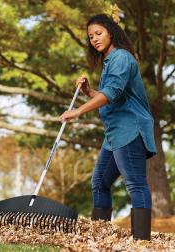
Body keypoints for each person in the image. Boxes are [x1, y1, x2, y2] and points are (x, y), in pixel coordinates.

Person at [59, 14, 157, 241]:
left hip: (130, 128)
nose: (94, 39)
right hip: (115, 133)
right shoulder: (110, 61)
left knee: (135, 184)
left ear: (111, 31)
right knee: (100, 182)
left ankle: (141, 240)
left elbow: (111, 94)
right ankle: (98, 236)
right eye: (90, 36)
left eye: (98, 33)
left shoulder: (122, 57)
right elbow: (112, 95)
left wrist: (78, 111)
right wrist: (88, 92)